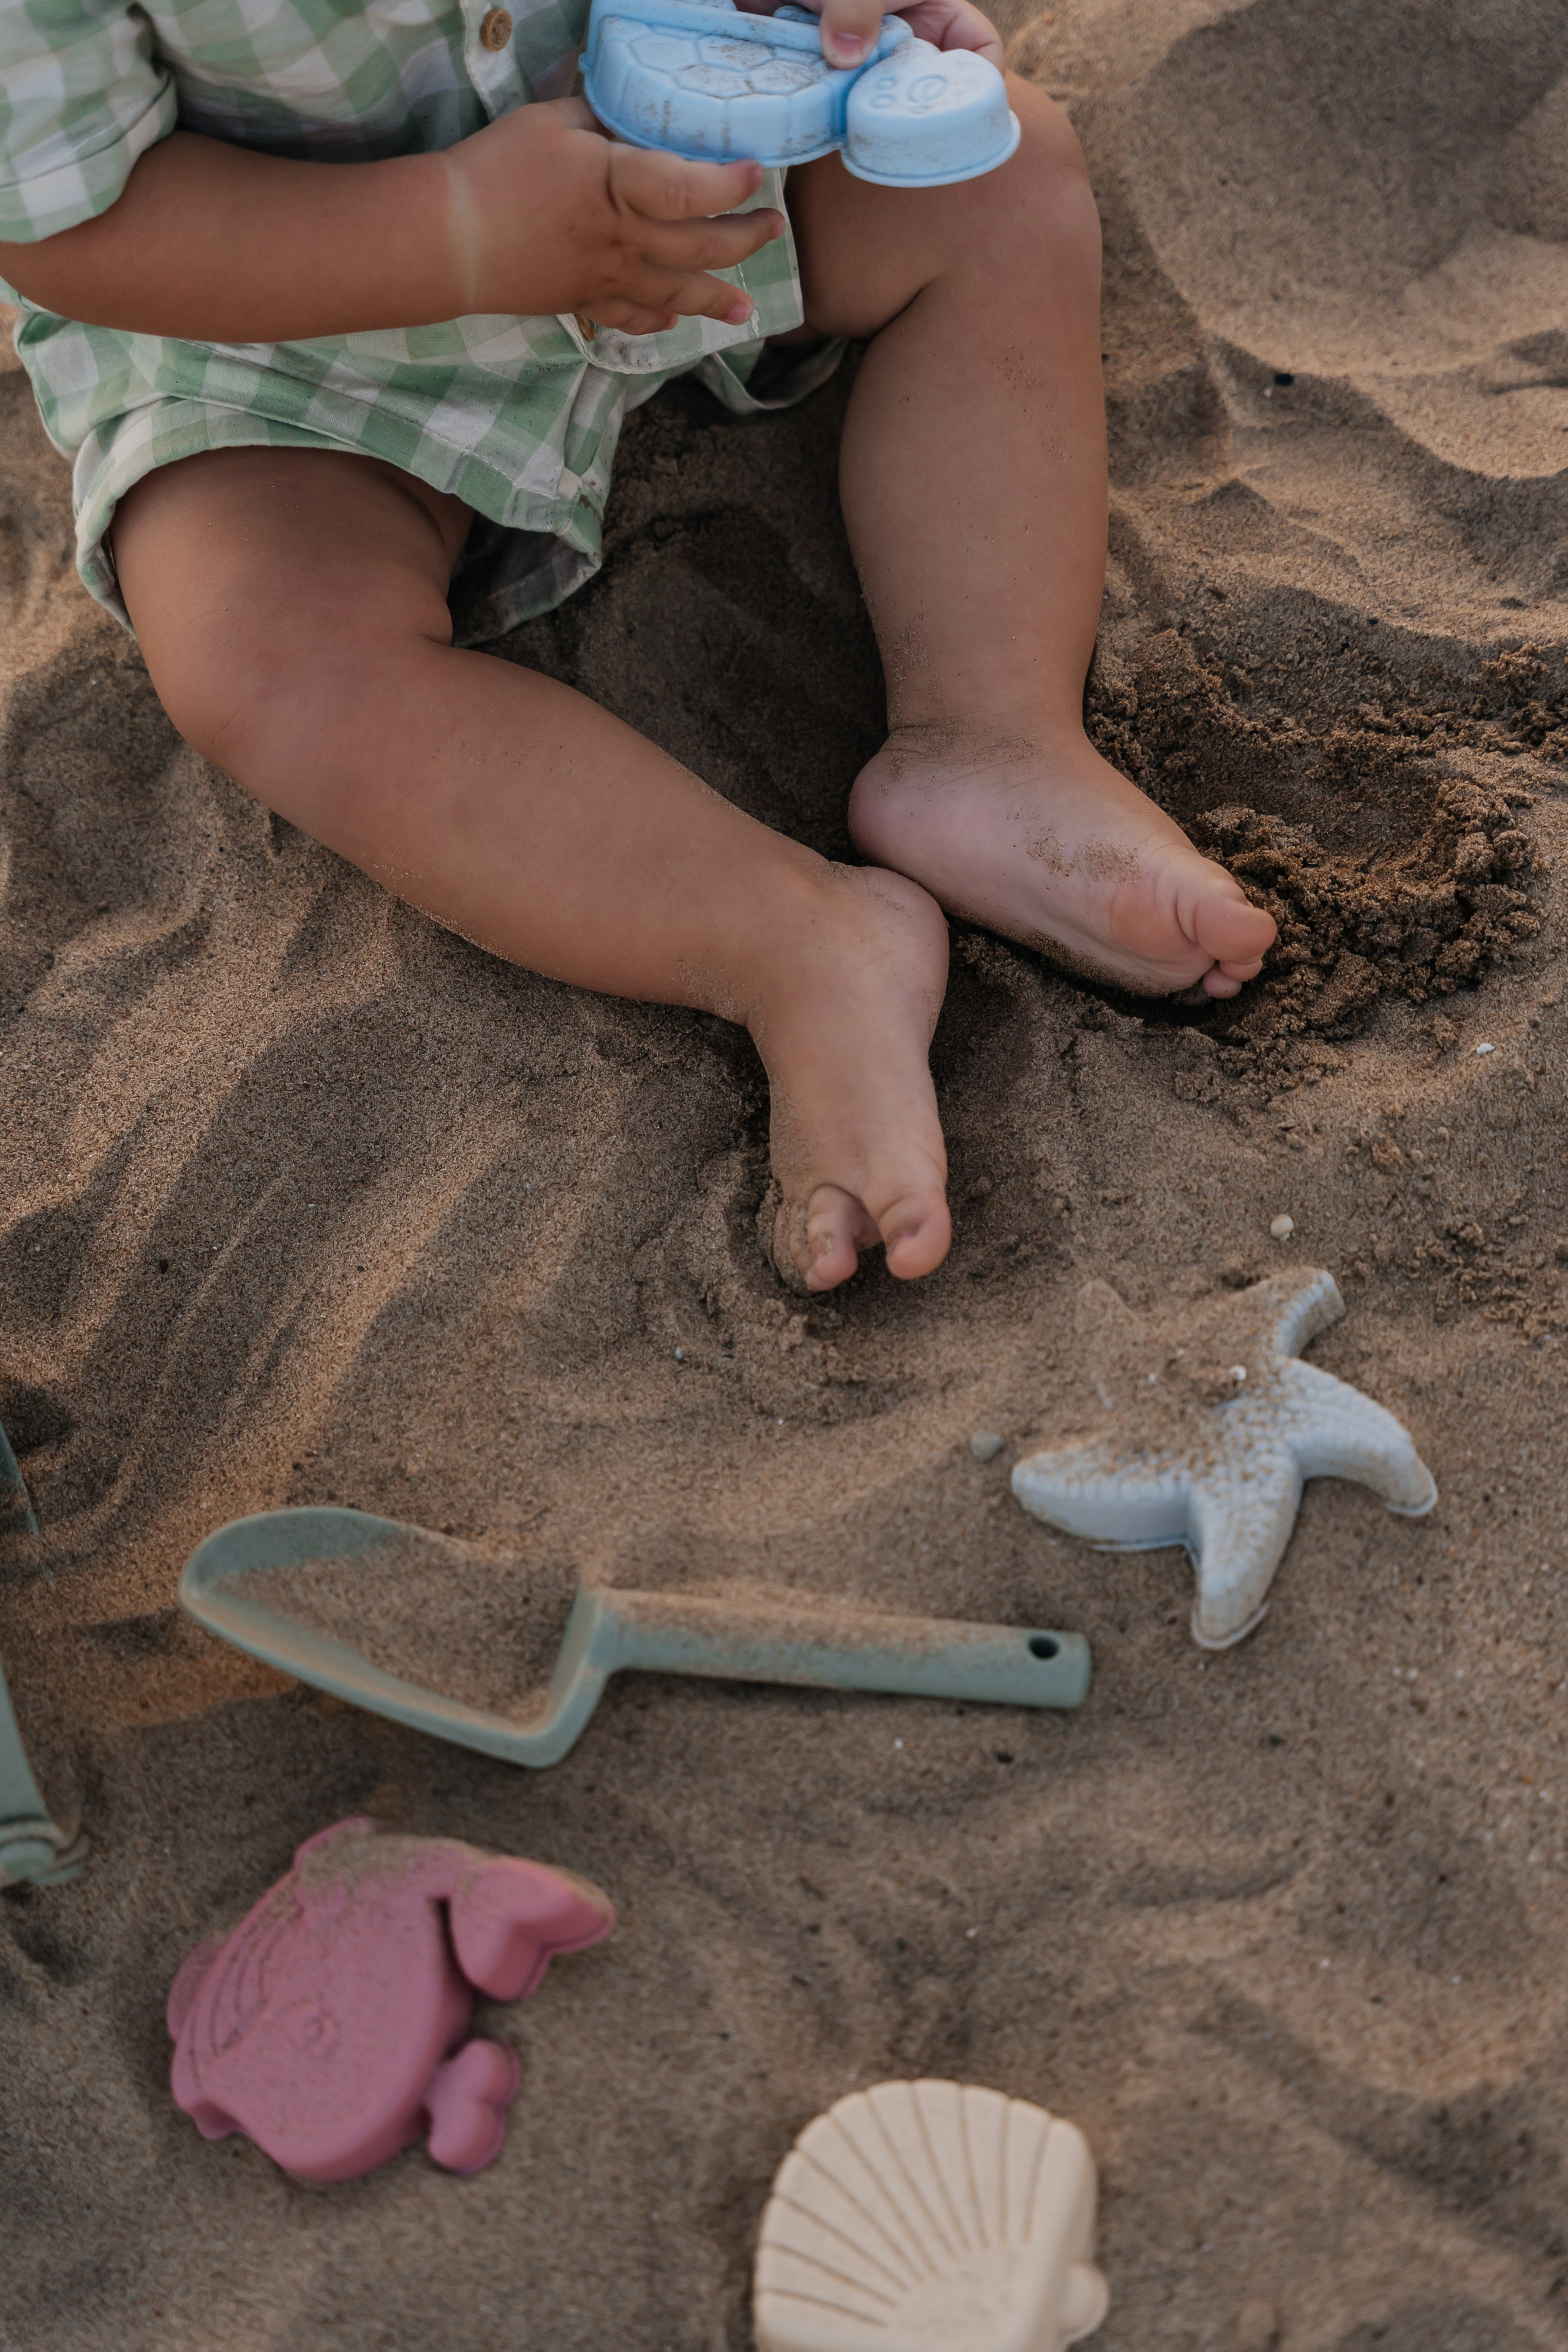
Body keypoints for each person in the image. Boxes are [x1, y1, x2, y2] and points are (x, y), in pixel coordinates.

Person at [0, 0, 1275, 1291]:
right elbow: (73, 223)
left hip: (674, 132)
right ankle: (794, 944)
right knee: (260, 654)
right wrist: (456, 233)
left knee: (996, 175)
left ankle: (995, 738)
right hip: (301, 323)